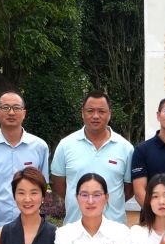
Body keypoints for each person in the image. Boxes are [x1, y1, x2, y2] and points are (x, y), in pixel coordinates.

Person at [0, 90, 49, 244]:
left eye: (16, 108)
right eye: (5, 108)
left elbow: (43, 187)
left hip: (32, 229)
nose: (11, 112)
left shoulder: (39, 147)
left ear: (24, 113)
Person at [50, 90, 136, 222]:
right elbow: (58, 185)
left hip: (114, 226)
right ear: (82, 113)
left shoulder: (125, 148)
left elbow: (129, 190)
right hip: (75, 225)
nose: (96, 116)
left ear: (109, 114)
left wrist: (110, 202)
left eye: (101, 111)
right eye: (90, 111)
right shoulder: (66, 145)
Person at [56, 172, 143, 244]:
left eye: (97, 195)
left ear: (106, 197)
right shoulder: (64, 233)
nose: (90, 201)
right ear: (77, 197)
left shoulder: (121, 232)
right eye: (84, 195)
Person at [0, 167, 59, 244]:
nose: (27, 199)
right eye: (21, 193)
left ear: (43, 196)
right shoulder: (2, 233)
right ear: (14, 196)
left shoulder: (56, 234)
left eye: (34, 193)